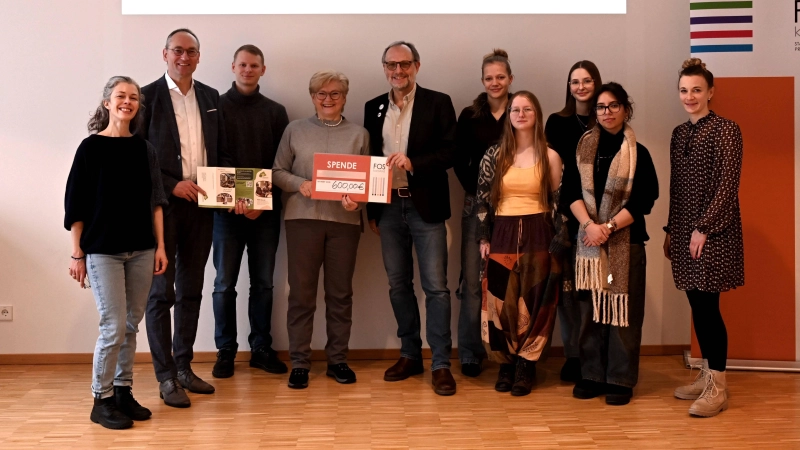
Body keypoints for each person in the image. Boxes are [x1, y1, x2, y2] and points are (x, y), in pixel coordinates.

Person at [65, 76, 169, 429]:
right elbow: (75, 205)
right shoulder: (90, 148)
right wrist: (77, 254)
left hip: (142, 249)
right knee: (112, 326)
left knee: (130, 325)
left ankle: (123, 391)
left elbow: (156, 202)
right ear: (107, 103)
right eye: (121, 96)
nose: (127, 101)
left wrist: (160, 247)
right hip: (102, 252)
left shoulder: (145, 149)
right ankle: (102, 398)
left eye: (134, 97)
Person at [364, 41, 458, 396]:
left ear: (416, 66)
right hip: (388, 207)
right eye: (391, 65)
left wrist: (414, 162)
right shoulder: (373, 107)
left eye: (404, 64)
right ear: (384, 68)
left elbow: (451, 152)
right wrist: (372, 210)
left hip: (426, 207)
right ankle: (409, 354)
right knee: (398, 285)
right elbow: (370, 159)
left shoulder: (438, 102)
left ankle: (441, 363)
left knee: (436, 288)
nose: (398, 71)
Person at [142, 28, 228, 408]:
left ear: (198, 56)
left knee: (192, 289)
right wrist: (171, 185)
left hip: (203, 205)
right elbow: (138, 158)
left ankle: (184, 368)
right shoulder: (146, 97)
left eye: (191, 51)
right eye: (177, 50)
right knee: (161, 293)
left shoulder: (211, 97)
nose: (184, 57)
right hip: (163, 207)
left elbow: (220, 149)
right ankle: (165, 377)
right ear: (165, 54)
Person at [560, 82, 658, 406]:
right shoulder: (582, 149)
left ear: (625, 109)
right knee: (589, 311)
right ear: (595, 112)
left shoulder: (638, 153)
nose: (607, 112)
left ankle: (619, 378)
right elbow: (569, 193)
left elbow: (644, 200)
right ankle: (591, 374)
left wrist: (609, 227)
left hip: (625, 243)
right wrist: (590, 227)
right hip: (589, 243)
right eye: (601, 107)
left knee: (622, 313)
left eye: (614, 105)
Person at [272, 70, 369, 389]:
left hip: (345, 224)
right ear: (312, 97)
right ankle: (300, 362)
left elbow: (368, 182)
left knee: (340, 294)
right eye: (321, 94)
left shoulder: (359, 134)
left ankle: (338, 360)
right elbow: (277, 171)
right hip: (302, 220)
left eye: (335, 93)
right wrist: (300, 184)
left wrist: (358, 203)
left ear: (345, 97)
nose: (328, 99)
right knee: (301, 294)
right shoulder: (295, 130)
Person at [665, 58, 743, 418]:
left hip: (713, 233)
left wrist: (703, 228)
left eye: (697, 90)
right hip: (683, 231)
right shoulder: (679, 133)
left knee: (709, 309)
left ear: (710, 92)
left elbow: (727, 187)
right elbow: (676, 188)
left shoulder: (727, 130)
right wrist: (672, 230)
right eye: (684, 90)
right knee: (697, 306)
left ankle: (719, 388)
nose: (690, 96)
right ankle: (707, 375)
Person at [476, 91, 563, 396]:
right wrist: (483, 236)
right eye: (515, 109)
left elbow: (557, 203)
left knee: (536, 300)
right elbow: (482, 199)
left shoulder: (550, 156)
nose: (521, 114)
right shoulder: (495, 155)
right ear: (509, 115)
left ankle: (527, 365)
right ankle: (506, 364)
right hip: (502, 231)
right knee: (501, 300)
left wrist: (558, 240)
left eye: (527, 109)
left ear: (537, 114)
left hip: (539, 232)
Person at [211, 44, 290, 379]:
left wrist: (261, 203)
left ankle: (260, 348)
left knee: (263, 284)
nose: (247, 70)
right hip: (225, 213)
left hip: (265, 214)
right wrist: (233, 199)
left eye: (253, 65)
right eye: (242, 64)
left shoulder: (276, 111)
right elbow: (215, 156)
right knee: (223, 284)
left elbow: (281, 162)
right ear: (233, 67)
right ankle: (225, 351)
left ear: (262, 70)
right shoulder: (214, 107)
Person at [453, 49, 513, 378]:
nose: (495, 82)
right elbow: (459, 160)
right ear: (482, 81)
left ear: (510, 79)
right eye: (489, 78)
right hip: (475, 206)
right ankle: (470, 352)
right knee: (473, 281)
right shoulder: (469, 116)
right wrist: (479, 195)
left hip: (514, 207)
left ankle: (510, 352)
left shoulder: (521, 110)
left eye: (500, 77)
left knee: (508, 281)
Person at [544, 61, 602, 383]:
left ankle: (594, 354)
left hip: (600, 216)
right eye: (575, 81)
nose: (581, 87)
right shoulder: (557, 122)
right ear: (569, 87)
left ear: (596, 83)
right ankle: (573, 355)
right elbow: (550, 171)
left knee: (592, 289)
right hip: (565, 216)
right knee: (567, 291)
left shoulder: (605, 118)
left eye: (587, 80)